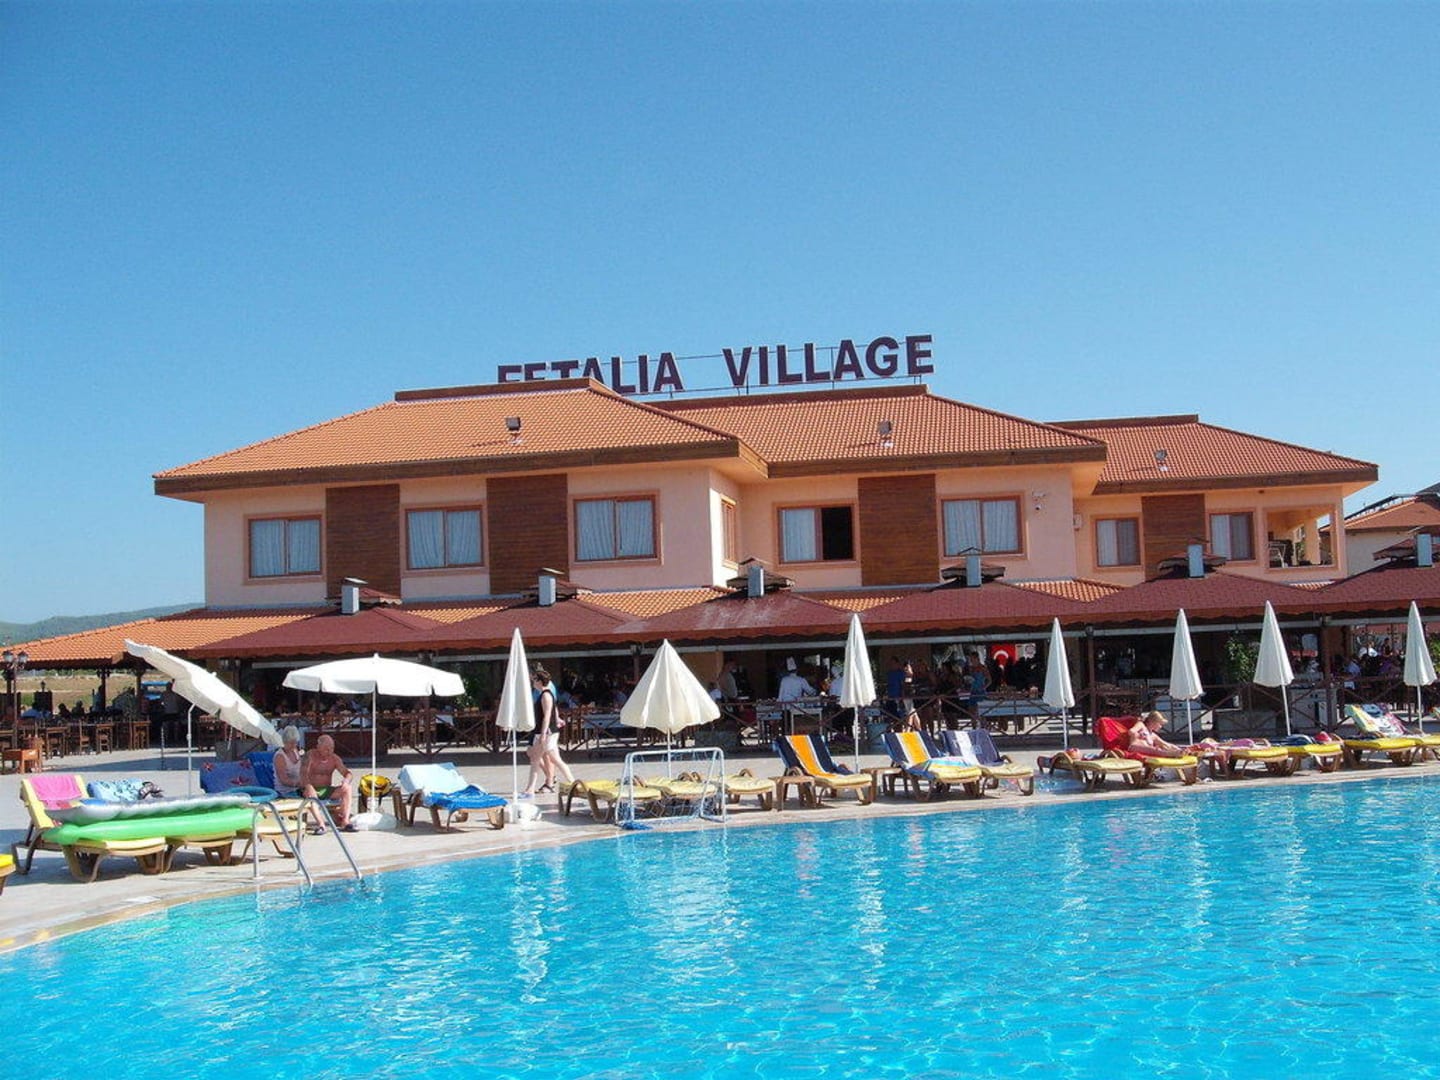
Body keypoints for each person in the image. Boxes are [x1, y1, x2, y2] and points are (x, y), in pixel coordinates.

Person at [525, 666, 574, 796]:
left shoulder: (546, 695)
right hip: (545, 731)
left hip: (547, 732)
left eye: (535, 679)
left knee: (550, 759)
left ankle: (571, 782)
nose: (533, 682)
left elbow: (547, 716)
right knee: (537, 758)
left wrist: (543, 733)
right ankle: (530, 788)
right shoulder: (543, 694)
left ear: (540, 681)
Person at [301, 733, 356, 831]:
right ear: (318, 747)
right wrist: (309, 787)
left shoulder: (334, 758)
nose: (329, 751)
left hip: (327, 789)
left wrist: (346, 780)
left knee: (348, 788)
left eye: (331, 748)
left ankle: (345, 821)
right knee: (310, 794)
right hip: (312, 788)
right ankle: (321, 825)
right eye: (326, 749)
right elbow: (303, 774)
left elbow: (347, 773)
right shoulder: (310, 756)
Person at [273, 724, 305, 796]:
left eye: (295, 743)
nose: (294, 745)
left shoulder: (295, 750)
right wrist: (298, 783)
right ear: (284, 742)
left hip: (298, 788)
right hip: (285, 792)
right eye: (291, 743)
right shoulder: (279, 756)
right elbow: (283, 780)